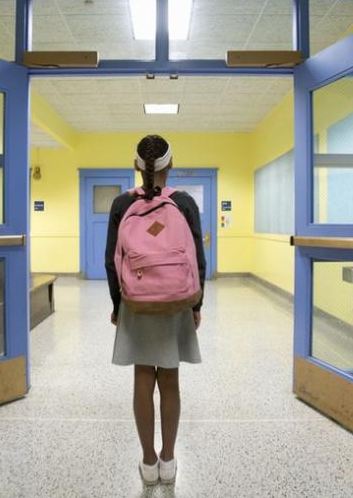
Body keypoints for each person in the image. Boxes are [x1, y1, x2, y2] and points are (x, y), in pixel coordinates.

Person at [105, 134, 205, 486]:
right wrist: (195, 305)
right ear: (171, 166)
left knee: (142, 379)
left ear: (137, 166)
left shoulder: (120, 204)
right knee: (171, 380)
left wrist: (119, 306)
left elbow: (111, 261)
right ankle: (168, 459)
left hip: (137, 303)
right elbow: (198, 258)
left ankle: (148, 464)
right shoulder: (185, 202)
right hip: (176, 301)